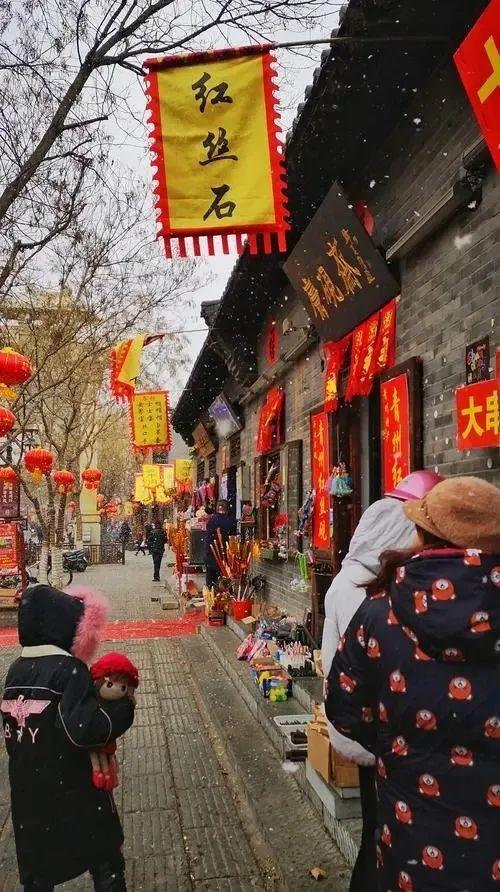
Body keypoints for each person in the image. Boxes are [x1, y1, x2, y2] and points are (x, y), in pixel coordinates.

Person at [325, 476, 500, 892]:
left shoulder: (380, 613)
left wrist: (398, 745)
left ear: (421, 534)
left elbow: (345, 708)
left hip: (410, 835)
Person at [321, 470, 442, 891]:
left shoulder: (349, 581)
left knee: (379, 834)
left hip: (378, 736)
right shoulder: (375, 595)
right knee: (380, 837)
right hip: (388, 741)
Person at [1, 583, 135, 891]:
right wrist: (122, 709)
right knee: (105, 859)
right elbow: (84, 729)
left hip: (27, 794)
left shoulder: (15, 671)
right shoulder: (69, 670)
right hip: (74, 790)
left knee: (37, 871)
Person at [204, 499, 237, 589]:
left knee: (210, 579)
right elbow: (233, 535)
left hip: (210, 553)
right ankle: (222, 598)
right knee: (223, 579)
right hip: (222, 556)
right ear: (227, 509)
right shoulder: (230, 521)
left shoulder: (211, 519)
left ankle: (211, 598)